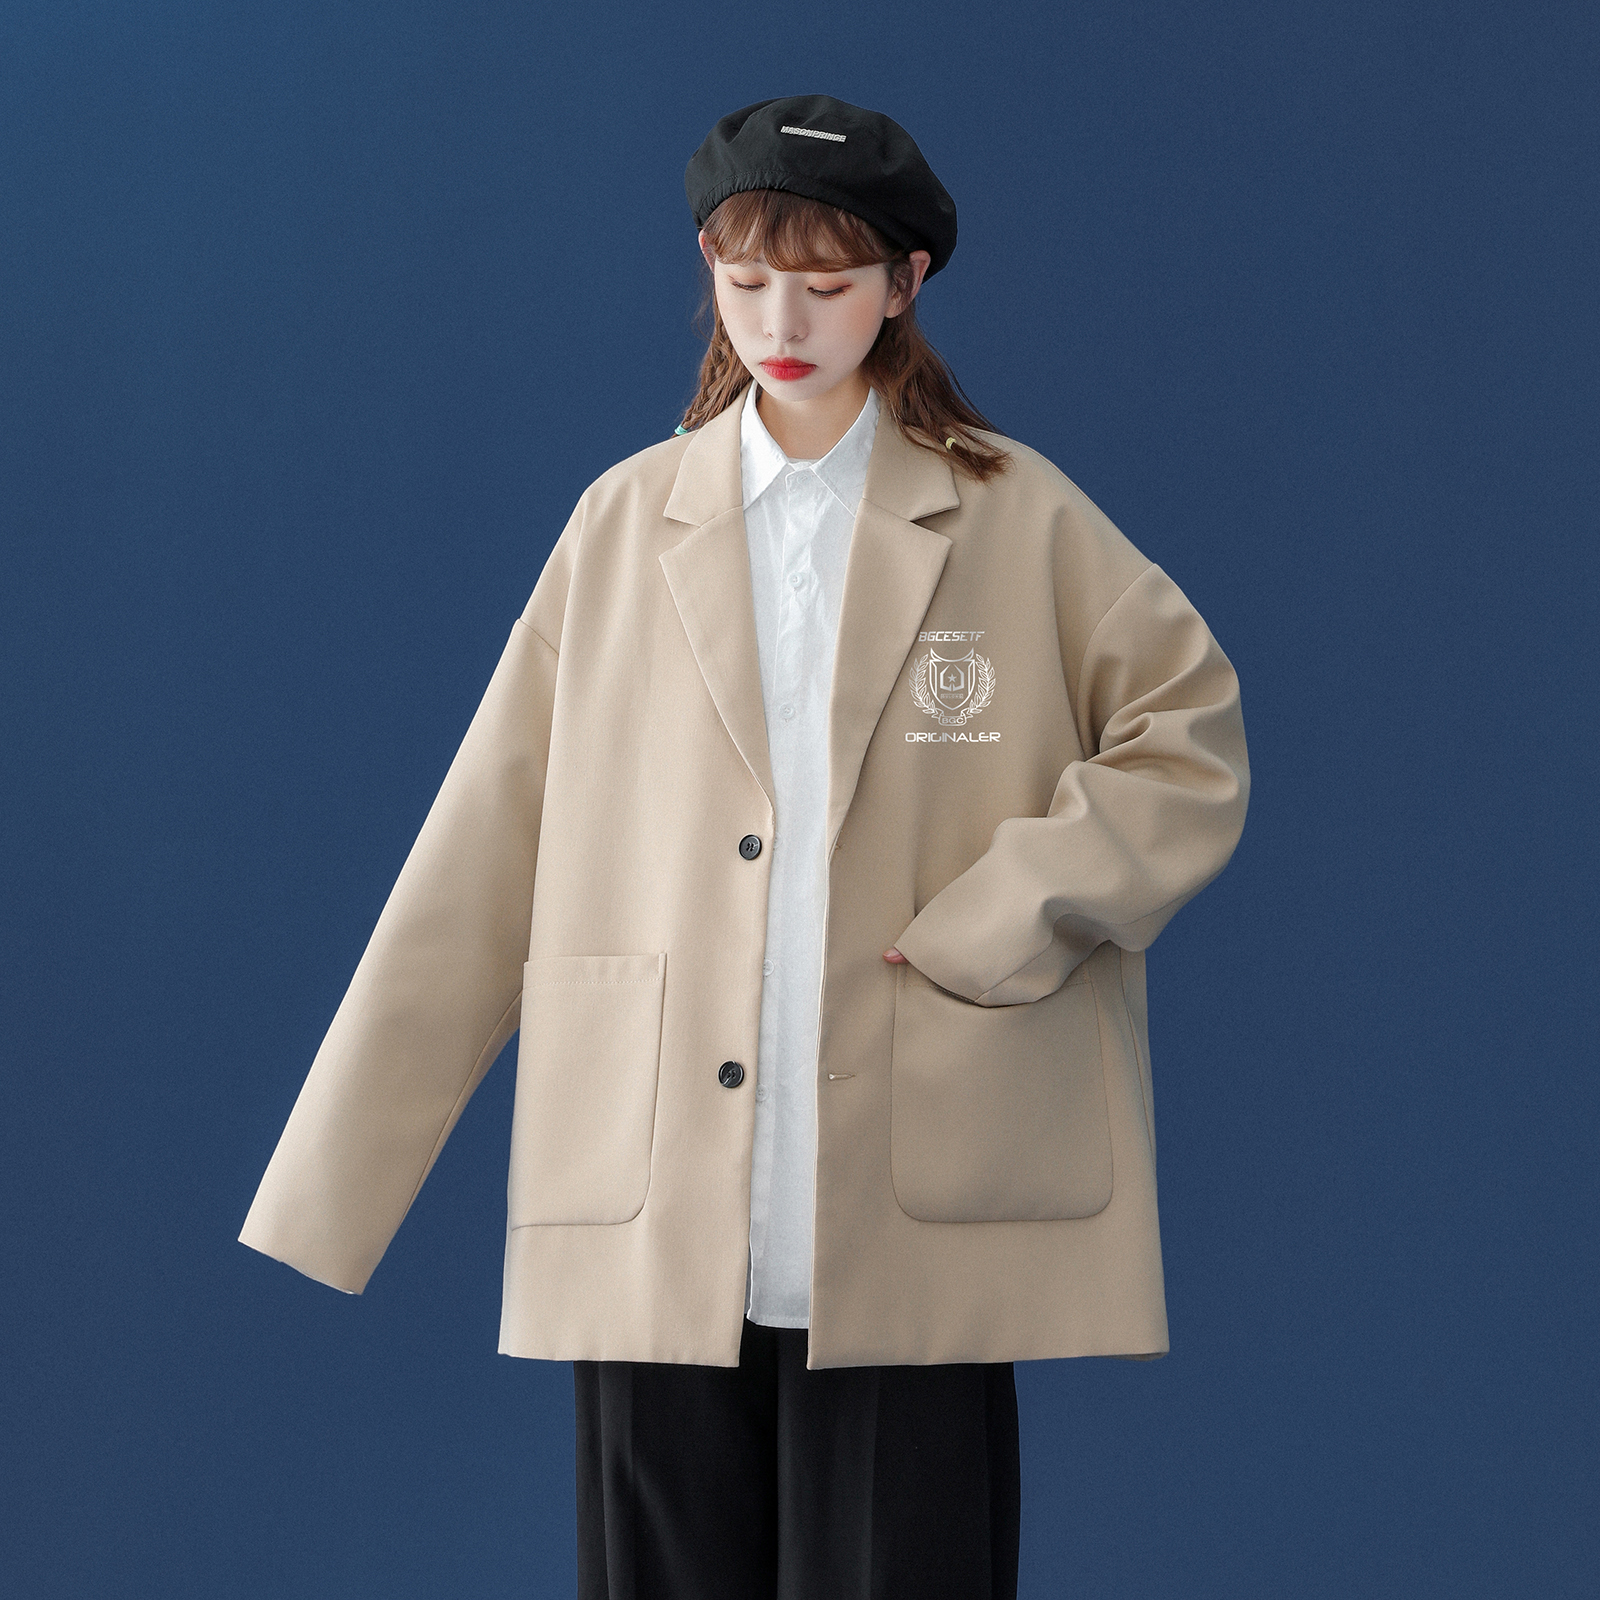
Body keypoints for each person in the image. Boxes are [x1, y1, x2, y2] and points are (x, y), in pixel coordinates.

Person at [239, 94, 1250, 1598]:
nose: (783, 322)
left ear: (905, 283)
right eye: (746, 278)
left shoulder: (1016, 513)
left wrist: (1004, 916)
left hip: (915, 1172)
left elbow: (1189, 740)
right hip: (656, 1173)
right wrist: (339, 1174)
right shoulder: (622, 523)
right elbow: (485, 843)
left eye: (828, 284)